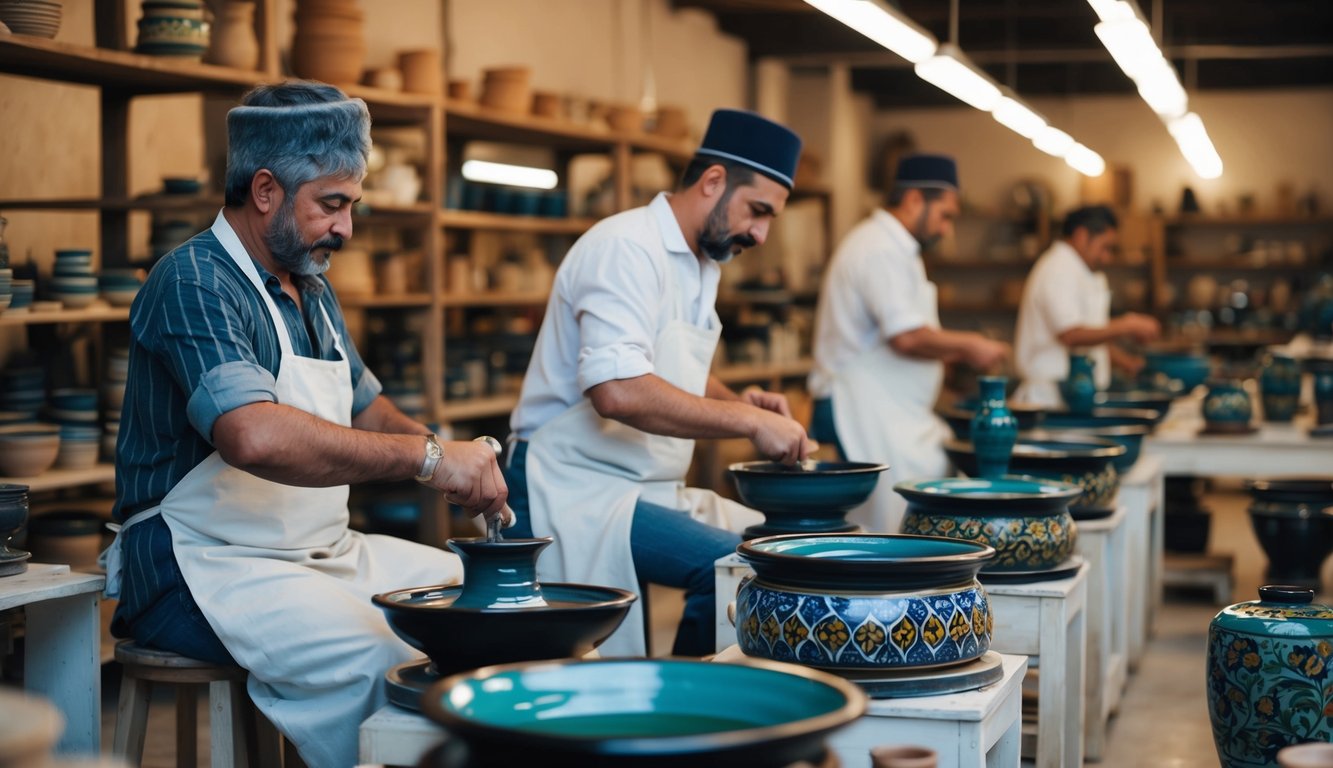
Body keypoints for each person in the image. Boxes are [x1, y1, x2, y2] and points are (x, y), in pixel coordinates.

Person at [101, 81, 509, 768]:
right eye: (332, 204)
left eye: (350, 204)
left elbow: (365, 407)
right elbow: (252, 435)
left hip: (312, 551)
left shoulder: (308, 287)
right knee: (381, 655)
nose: (347, 227)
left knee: (482, 609)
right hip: (199, 564)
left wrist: (458, 464)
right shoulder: (194, 282)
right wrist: (430, 457)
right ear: (265, 191)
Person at [503, 109, 814, 657]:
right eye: (757, 211)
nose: (762, 234)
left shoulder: (701, 262)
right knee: (734, 569)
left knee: (783, 548)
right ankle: (690, 712)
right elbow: (617, 389)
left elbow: (665, 365)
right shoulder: (627, 247)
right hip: (568, 484)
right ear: (713, 181)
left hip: (636, 483)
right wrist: (749, 421)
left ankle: (688, 702)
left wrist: (736, 401)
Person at [808, 154, 1009, 533]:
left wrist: (948, 357)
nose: (947, 229)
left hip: (891, 410)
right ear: (915, 199)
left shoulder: (901, 250)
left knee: (925, 491)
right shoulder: (878, 248)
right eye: (945, 215)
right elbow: (907, 336)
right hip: (861, 407)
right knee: (891, 522)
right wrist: (970, 345)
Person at [1013, 205, 1161, 406]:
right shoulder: (1058, 268)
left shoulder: (1081, 270)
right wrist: (1128, 324)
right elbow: (1071, 335)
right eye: (1105, 247)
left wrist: (1124, 361)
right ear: (1082, 235)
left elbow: (1090, 334)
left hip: (1077, 392)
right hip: (1051, 397)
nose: (1107, 257)